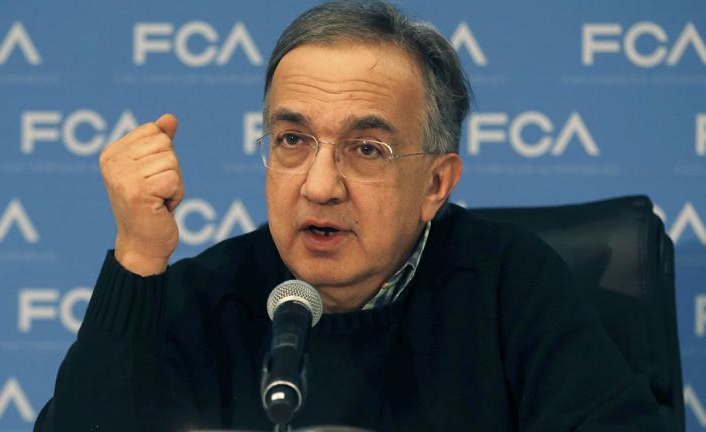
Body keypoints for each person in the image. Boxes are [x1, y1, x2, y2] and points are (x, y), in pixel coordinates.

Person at [35, 1, 665, 431]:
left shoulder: (510, 283)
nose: (319, 185)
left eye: (367, 149)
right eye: (292, 140)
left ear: (435, 183)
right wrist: (138, 259)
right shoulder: (204, 296)